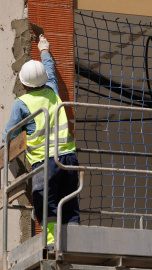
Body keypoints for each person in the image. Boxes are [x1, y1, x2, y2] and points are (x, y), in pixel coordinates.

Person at [2, 35, 80, 245]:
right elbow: (50, 69)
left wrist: (2, 150)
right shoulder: (53, 92)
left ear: (23, 84)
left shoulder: (22, 103)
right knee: (70, 201)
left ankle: (54, 242)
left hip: (45, 163)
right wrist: (44, 49)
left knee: (46, 203)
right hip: (69, 159)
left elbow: (10, 133)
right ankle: (75, 240)